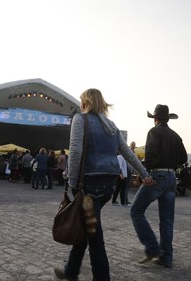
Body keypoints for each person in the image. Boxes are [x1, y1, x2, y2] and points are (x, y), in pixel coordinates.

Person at [54, 88, 154, 281]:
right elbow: (127, 152)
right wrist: (144, 174)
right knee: (88, 225)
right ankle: (70, 271)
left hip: (89, 184)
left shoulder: (80, 120)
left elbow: (75, 150)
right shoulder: (111, 125)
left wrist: (73, 181)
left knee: (94, 235)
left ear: (86, 102)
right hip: (108, 185)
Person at [130, 104, 187, 269]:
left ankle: (152, 247)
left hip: (157, 175)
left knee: (136, 210)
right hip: (171, 177)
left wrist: (145, 174)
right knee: (167, 220)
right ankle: (166, 258)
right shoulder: (176, 136)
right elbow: (183, 157)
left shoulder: (153, 132)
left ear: (155, 118)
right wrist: (172, 164)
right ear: (167, 119)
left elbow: (150, 156)